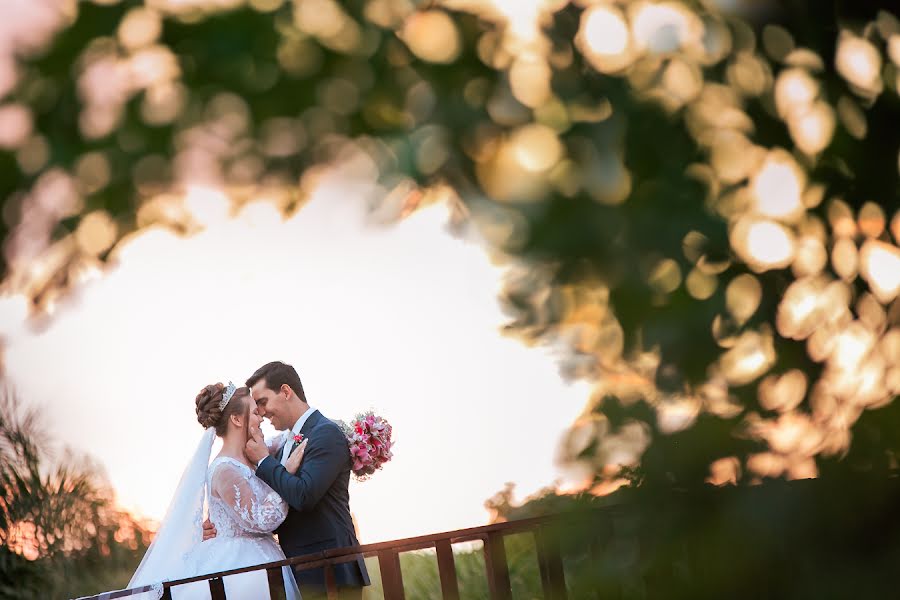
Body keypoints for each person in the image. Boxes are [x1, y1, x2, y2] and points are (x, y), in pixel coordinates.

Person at [203, 361, 370, 600]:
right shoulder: (281, 445)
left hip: (332, 567)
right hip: (295, 568)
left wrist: (265, 462)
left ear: (286, 391)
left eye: (262, 402)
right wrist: (220, 524)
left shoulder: (324, 433)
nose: (260, 413)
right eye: (256, 407)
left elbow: (303, 496)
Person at [129, 382, 303, 599]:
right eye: (255, 412)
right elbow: (262, 519)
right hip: (242, 569)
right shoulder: (225, 471)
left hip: (265, 560)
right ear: (237, 419)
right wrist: (284, 474)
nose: (261, 418)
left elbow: (285, 440)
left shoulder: (253, 454)